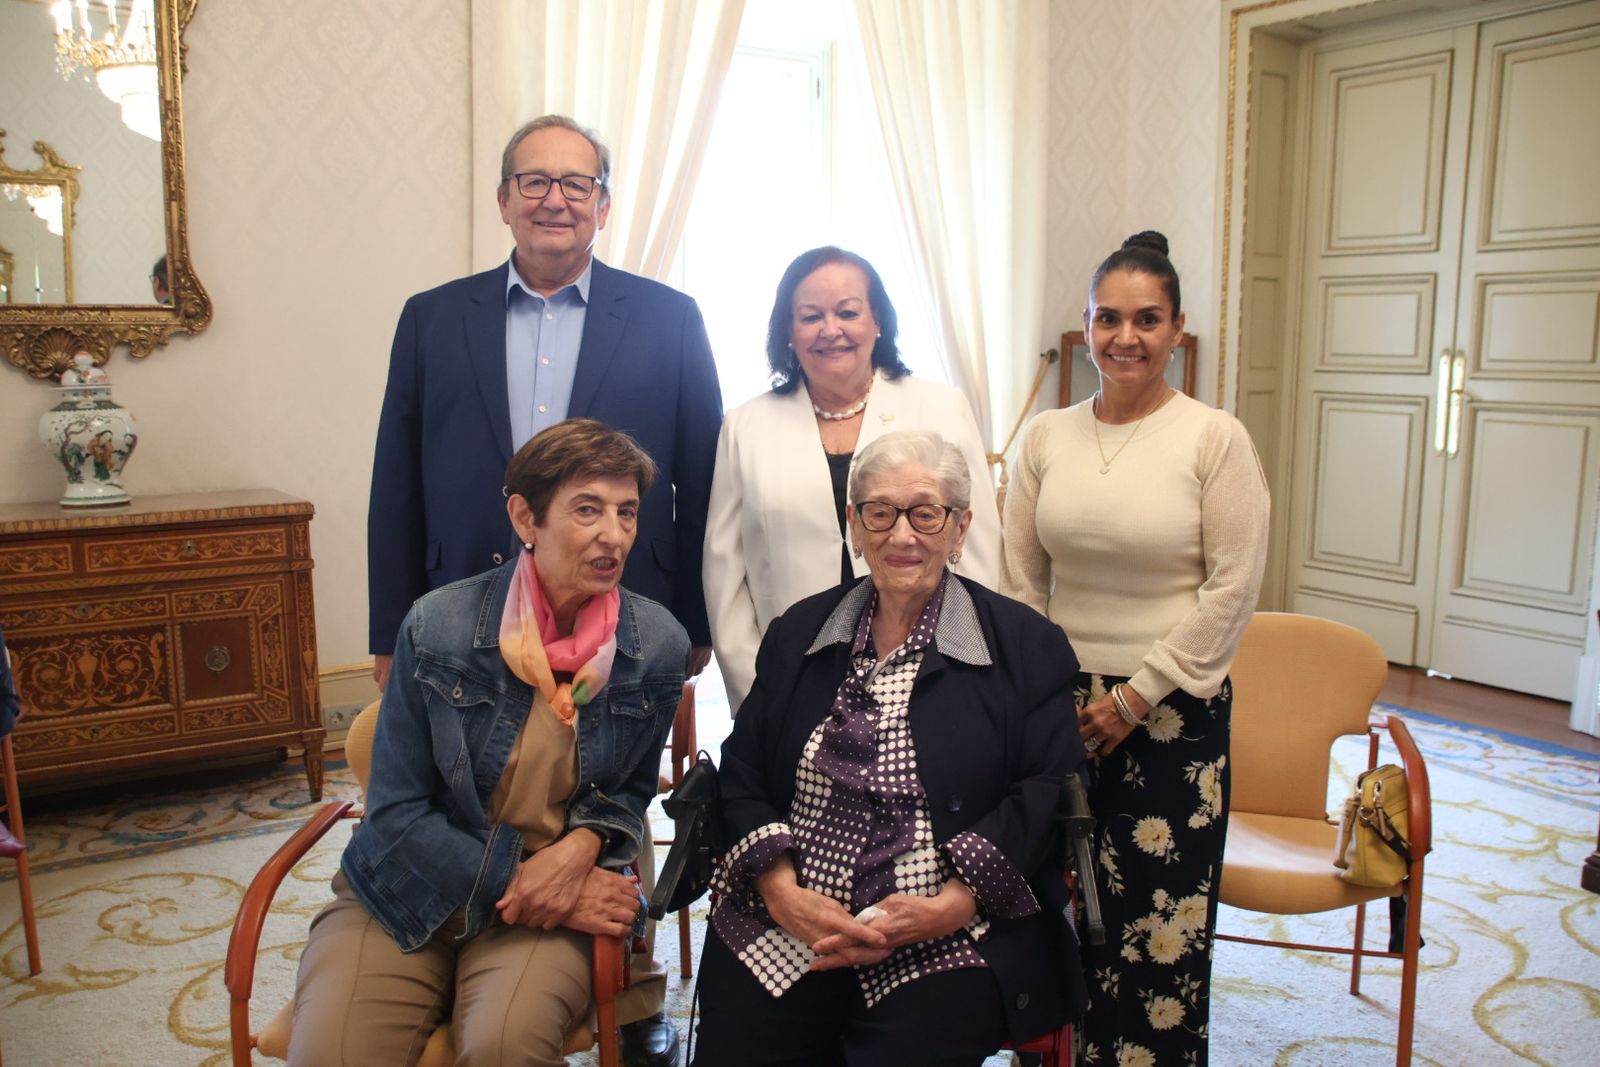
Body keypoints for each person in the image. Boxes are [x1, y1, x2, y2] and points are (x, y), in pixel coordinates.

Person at [290, 420, 688, 1067]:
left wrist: (584, 845)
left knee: (505, 1047)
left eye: (627, 511)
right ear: (526, 517)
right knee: (331, 1055)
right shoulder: (438, 625)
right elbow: (395, 813)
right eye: (588, 509)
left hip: (550, 904)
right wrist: (520, 878)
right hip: (405, 887)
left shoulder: (657, 643)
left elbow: (629, 789)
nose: (614, 535)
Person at [693, 430, 1087, 1066]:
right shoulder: (799, 632)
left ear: (960, 529)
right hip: (793, 912)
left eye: (926, 514)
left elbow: (1048, 788)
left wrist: (953, 904)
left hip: (951, 925)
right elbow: (742, 770)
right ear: (854, 526)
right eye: (880, 513)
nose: (903, 536)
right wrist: (779, 889)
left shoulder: (1025, 645)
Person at [1000, 231, 1270, 1065]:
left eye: (1147, 319)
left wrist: (1134, 694)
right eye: (1108, 318)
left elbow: (1232, 588)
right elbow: (1020, 583)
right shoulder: (1045, 437)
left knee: (1159, 922)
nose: (1126, 337)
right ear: (1085, 326)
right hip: (1059, 704)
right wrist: (1046, 695)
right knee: (1052, 906)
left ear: (1177, 329)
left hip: (1173, 707)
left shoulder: (1215, 437)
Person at [367, 113, 721, 690]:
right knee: (467, 750)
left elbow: (704, 486)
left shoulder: (670, 319)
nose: (555, 200)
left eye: (576, 184)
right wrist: (389, 630)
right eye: (534, 181)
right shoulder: (431, 319)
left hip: (628, 605)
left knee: (608, 751)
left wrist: (696, 620)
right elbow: (395, 484)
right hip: (460, 602)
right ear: (504, 201)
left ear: (602, 207)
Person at [703, 246, 1001, 713]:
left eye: (847, 312)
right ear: (788, 331)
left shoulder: (942, 408)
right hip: (789, 676)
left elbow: (978, 551)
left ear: (877, 321)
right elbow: (725, 576)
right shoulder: (746, 425)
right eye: (810, 316)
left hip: (928, 672)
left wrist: (962, 673)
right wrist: (759, 691)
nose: (830, 330)